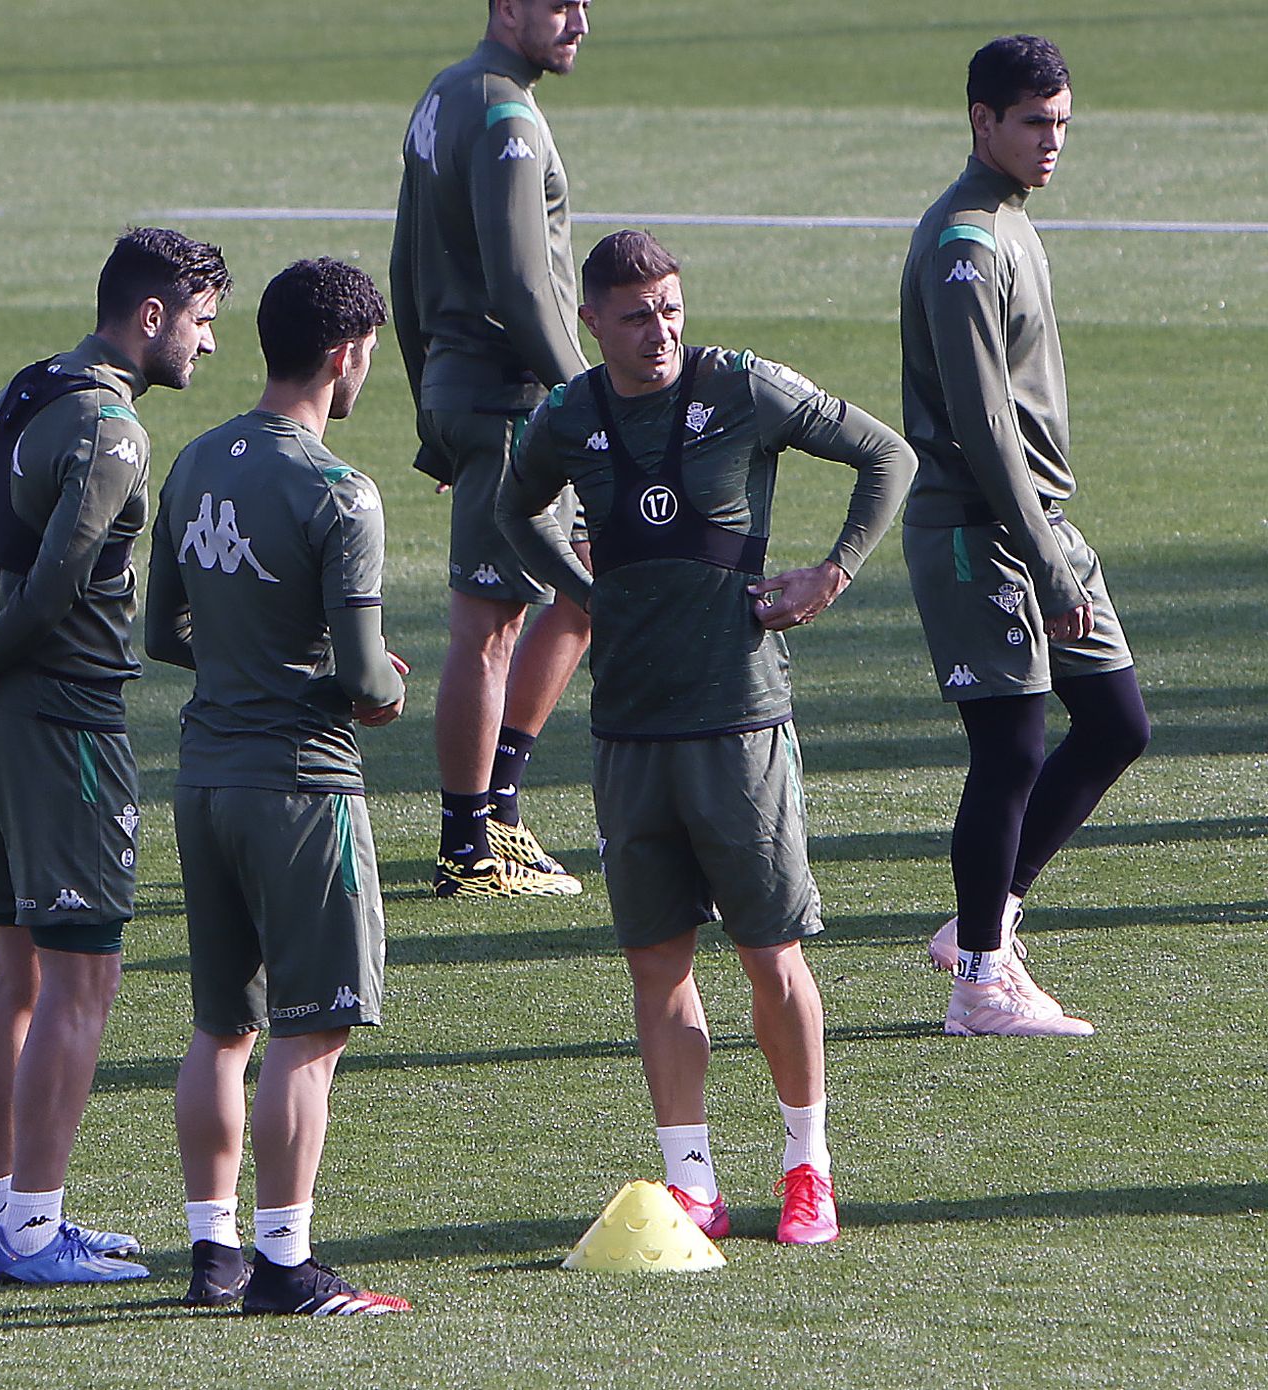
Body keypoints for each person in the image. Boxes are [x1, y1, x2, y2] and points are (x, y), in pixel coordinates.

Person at [499, 230, 915, 1244]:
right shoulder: (570, 413)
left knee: (770, 953)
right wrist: (582, 589)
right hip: (629, 730)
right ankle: (692, 1181)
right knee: (657, 964)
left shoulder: (740, 389)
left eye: (671, 308)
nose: (659, 331)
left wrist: (831, 570)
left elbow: (885, 453)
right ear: (591, 321)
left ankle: (806, 1167)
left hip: (739, 723)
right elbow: (513, 505)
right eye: (636, 315)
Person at [0, 227, 232, 1283]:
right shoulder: (114, 432)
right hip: (65, 726)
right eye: (202, 322)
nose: (208, 346)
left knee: (20, 970)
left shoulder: (25, 390)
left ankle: (7, 1211)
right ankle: (35, 1229)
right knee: (85, 974)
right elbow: (55, 590)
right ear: (150, 316)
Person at [146, 258, 411, 1315]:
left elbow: (163, 630)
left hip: (204, 776)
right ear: (345, 353)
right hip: (302, 787)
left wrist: (243, 659)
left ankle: (214, 1254)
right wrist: (386, 688)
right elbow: (361, 677)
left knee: (223, 1026)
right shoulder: (339, 492)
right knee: (311, 1029)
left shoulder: (196, 459)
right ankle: (288, 1264)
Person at [900, 35, 1150, 1038]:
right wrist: (1045, 561)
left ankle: (982, 918)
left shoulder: (1007, 222)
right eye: (1033, 123)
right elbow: (982, 423)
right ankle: (978, 984)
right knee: (1007, 751)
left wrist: (1051, 542)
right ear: (982, 121)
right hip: (980, 531)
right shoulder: (964, 242)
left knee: (1116, 721)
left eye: (1061, 124)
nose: (1051, 142)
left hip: (1037, 522)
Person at [390, 0, 596, 899]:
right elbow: (521, 284)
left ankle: (499, 813)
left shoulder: (442, 96)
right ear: (508, 8)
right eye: (559, 4)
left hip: (461, 386)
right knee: (489, 626)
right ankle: (468, 845)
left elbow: (404, 268)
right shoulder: (508, 112)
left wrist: (428, 405)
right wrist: (592, 401)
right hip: (514, 398)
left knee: (584, 577)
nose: (581, 21)